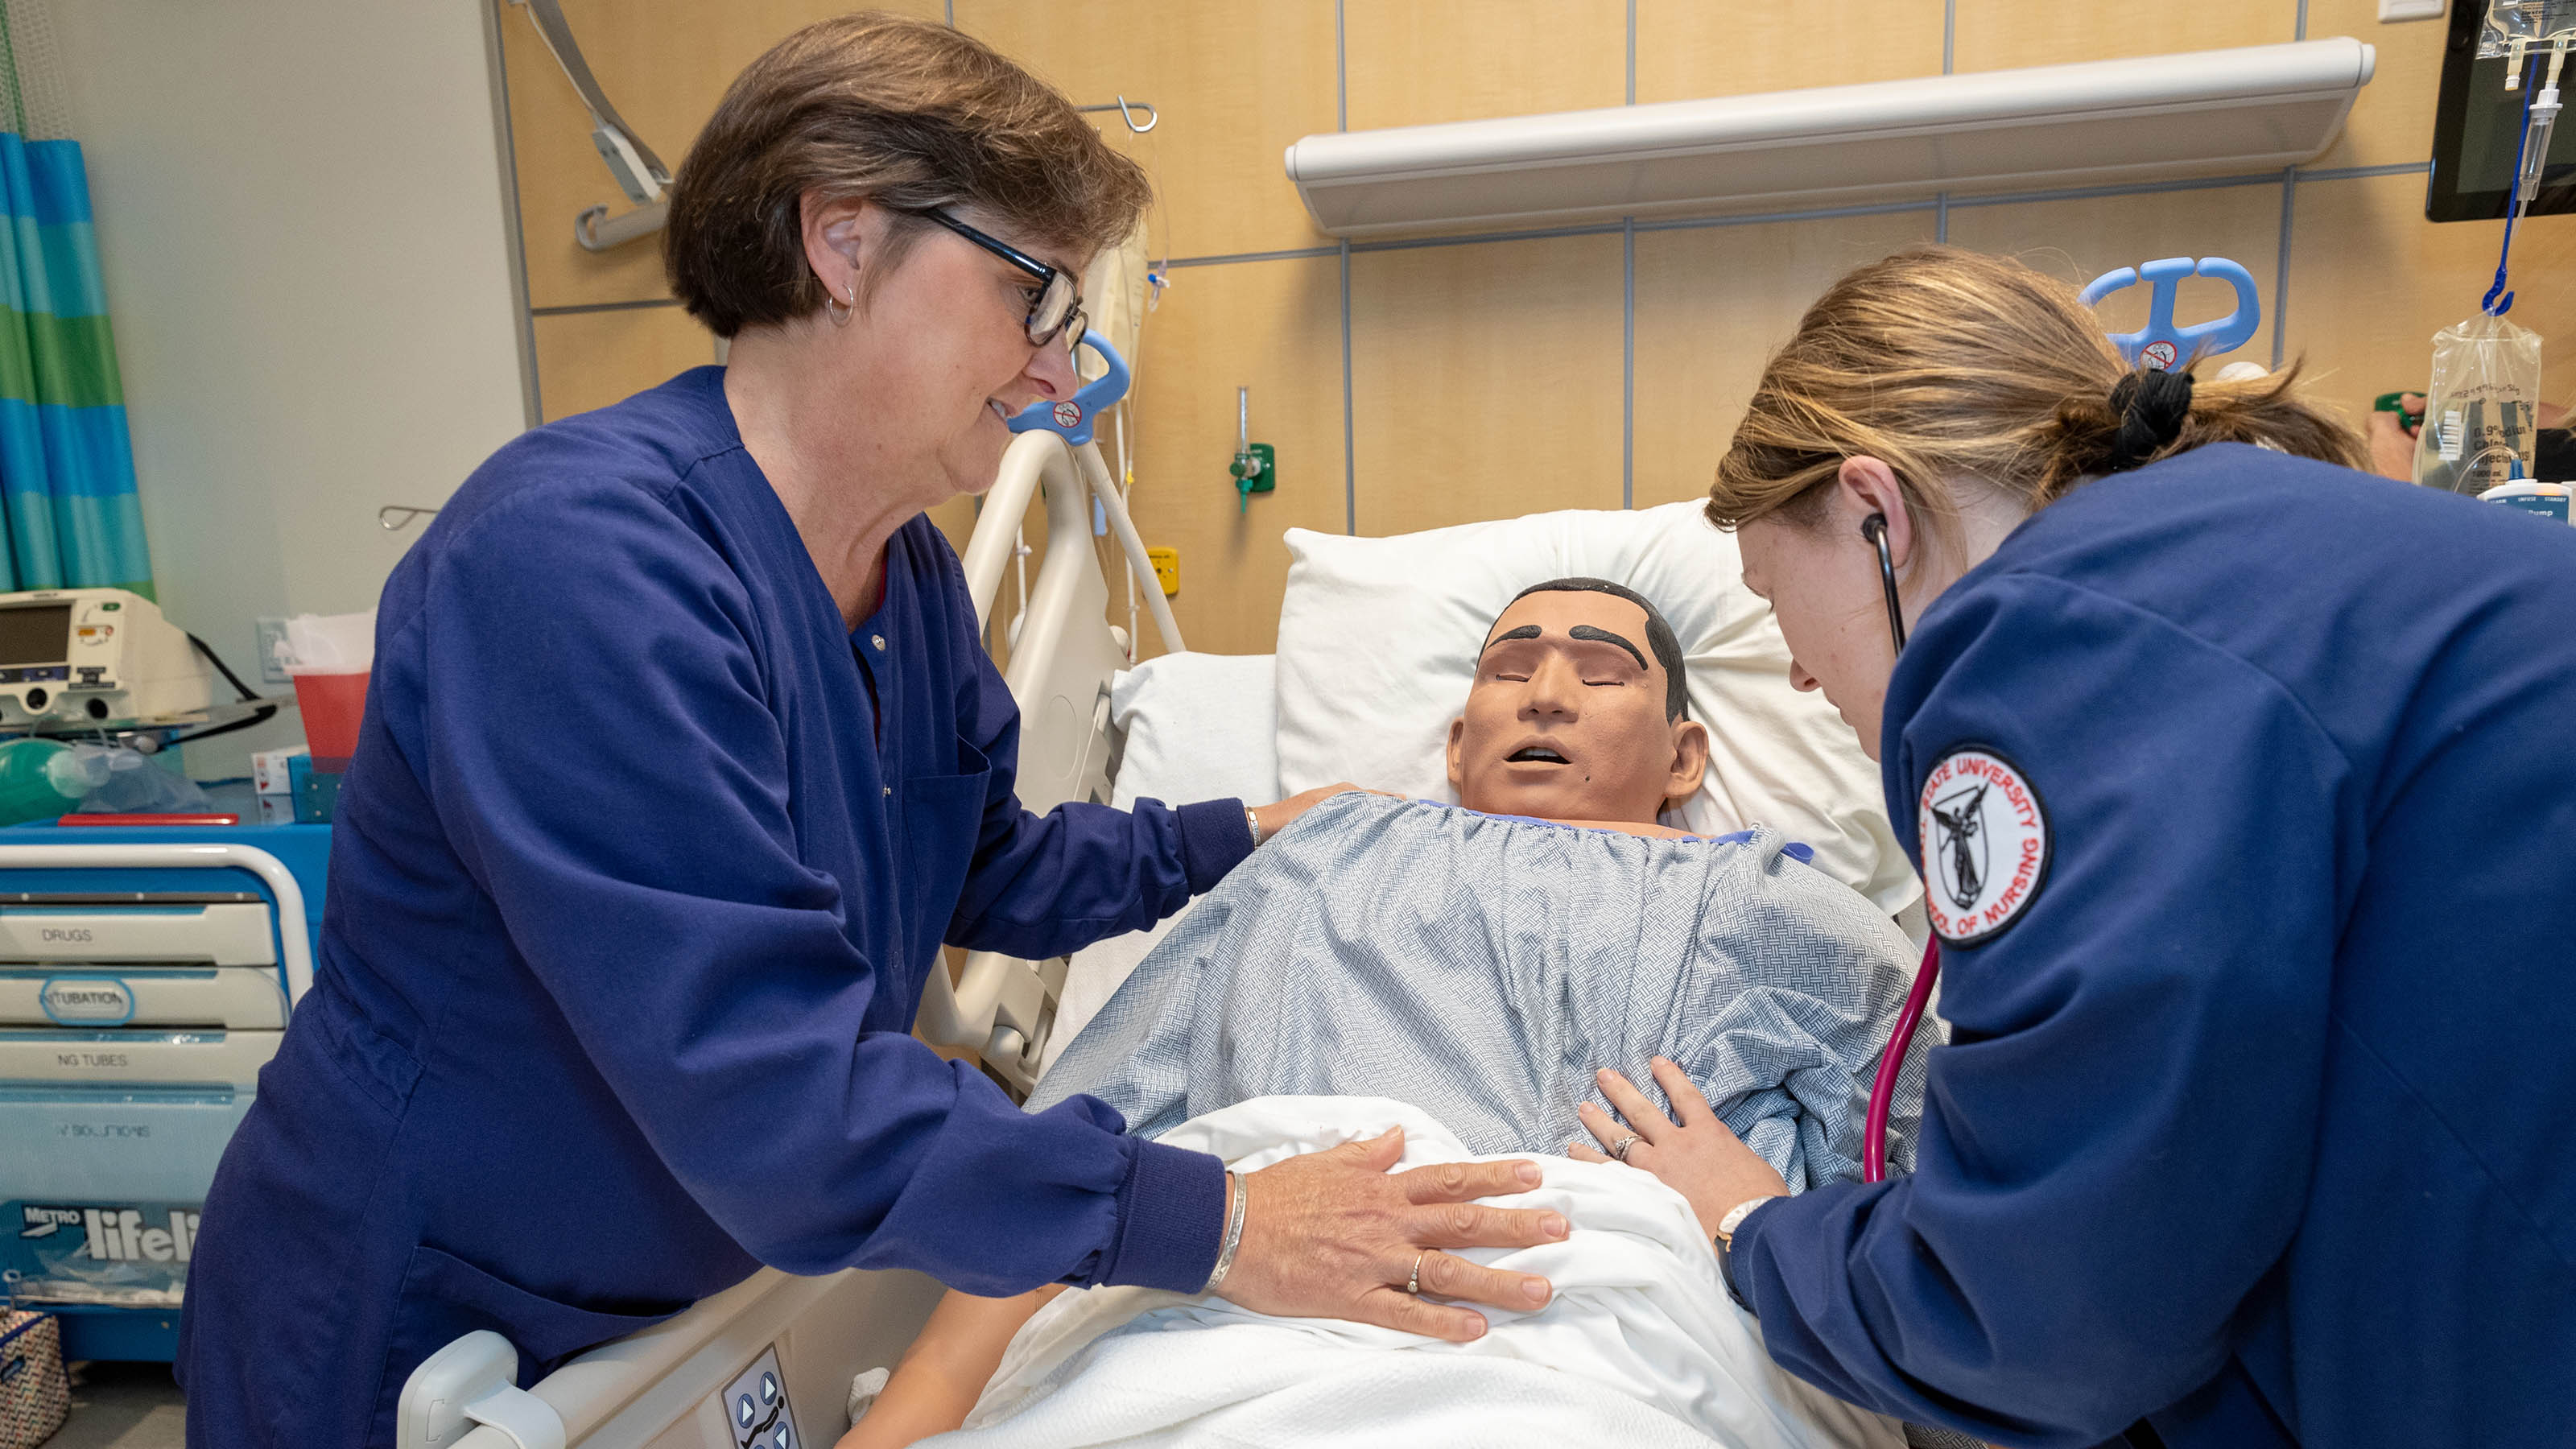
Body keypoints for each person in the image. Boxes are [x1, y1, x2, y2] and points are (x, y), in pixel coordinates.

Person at [175, 16, 1558, 1444]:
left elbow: (981, 867)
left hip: (660, 1308)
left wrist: (1245, 835)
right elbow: (775, 1091)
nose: (1060, 372)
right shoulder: (577, 563)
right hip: (418, 1324)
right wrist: (1222, 1223)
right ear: (842, 242)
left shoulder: (906, 579)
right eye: (1035, 297)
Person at [1579, 245, 2576, 1448]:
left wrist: (1752, 1228)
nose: (1794, 670)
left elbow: (2048, 1320)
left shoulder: (2045, 645)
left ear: (1876, 513)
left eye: (1773, 597)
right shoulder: (2260, 541)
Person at [834, 577, 1922, 1448]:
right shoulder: (1320, 857)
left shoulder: (1769, 907)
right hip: (1243, 1319)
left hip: (1610, 1342)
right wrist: (912, 1416)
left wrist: (1744, 1216)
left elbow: (1942, 1227)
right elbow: (1089, 1161)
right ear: (1455, 745)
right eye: (1509, 669)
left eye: (1600, 672)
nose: (1545, 694)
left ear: (1684, 757)